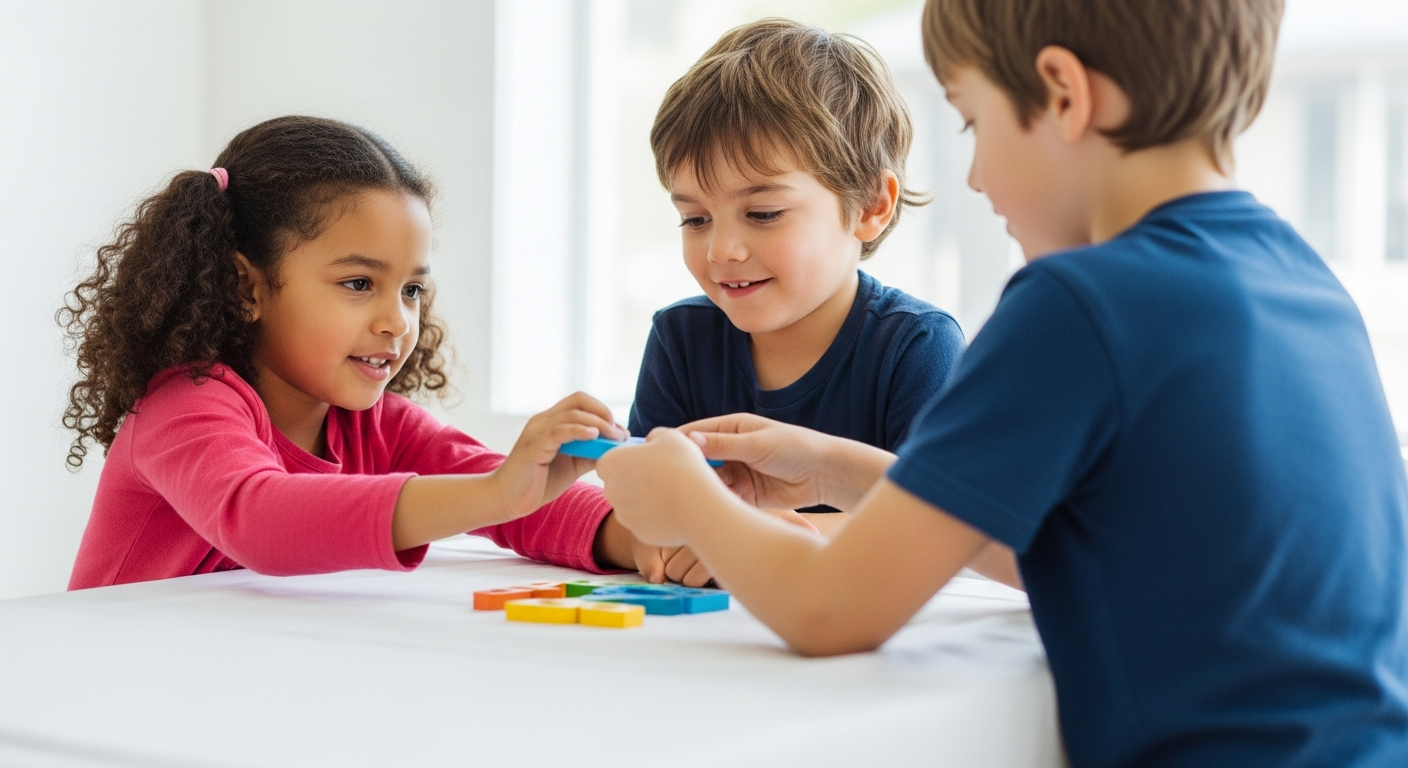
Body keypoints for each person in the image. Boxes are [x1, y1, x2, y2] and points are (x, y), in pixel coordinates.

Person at [597, 0, 1408, 764]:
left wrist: (687, 497)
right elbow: (1051, 546)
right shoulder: (1303, 281)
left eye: (973, 122)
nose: (976, 178)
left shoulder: (1080, 304)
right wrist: (833, 466)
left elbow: (828, 611)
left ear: (1061, 93)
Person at [62, 115, 665, 589]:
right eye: (358, 285)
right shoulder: (183, 409)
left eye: (411, 290)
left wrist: (646, 542)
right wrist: (498, 492)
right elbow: (261, 518)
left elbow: (516, 498)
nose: (396, 321)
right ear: (246, 286)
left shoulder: (377, 428)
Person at [630, 19, 969, 583]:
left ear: (869, 206)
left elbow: (944, 530)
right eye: (694, 219)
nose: (722, 250)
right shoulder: (679, 339)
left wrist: (752, 536)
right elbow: (645, 511)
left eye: (763, 214)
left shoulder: (918, 346)